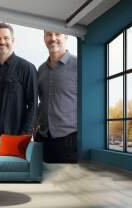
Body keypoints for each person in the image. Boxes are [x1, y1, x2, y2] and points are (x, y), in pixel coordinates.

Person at [0, 22, 38, 136]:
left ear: (13, 40)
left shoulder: (27, 68)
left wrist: (24, 135)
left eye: (6, 38)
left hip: (15, 137)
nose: (2, 42)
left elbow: (33, 105)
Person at [37, 31, 78, 163]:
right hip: (43, 140)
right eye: (49, 34)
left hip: (69, 141)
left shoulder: (78, 65)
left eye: (57, 34)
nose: (53, 38)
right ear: (44, 38)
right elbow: (41, 101)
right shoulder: (41, 70)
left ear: (66, 36)